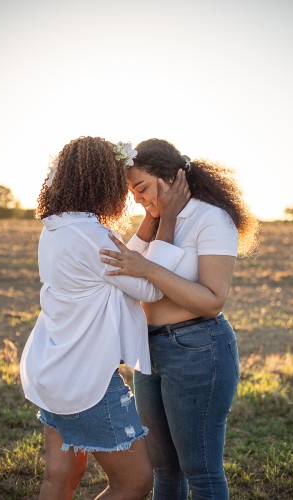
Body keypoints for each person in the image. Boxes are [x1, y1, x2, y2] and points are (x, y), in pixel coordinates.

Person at [20, 136, 189, 500]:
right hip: (86, 380)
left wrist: (148, 221)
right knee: (136, 481)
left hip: (53, 369)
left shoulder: (57, 229)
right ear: (102, 182)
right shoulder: (91, 235)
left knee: (60, 478)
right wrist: (168, 220)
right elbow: (149, 288)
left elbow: (119, 260)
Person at [100, 138, 260, 500]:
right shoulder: (157, 219)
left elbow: (212, 301)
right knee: (163, 472)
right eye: (134, 193)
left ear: (170, 178)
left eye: (142, 189)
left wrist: (147, 268)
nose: (139, 199)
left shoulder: (211, 218)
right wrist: (150, 219)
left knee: (201, 472)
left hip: (198, 348)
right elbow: (123, 266)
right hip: (150, 349)